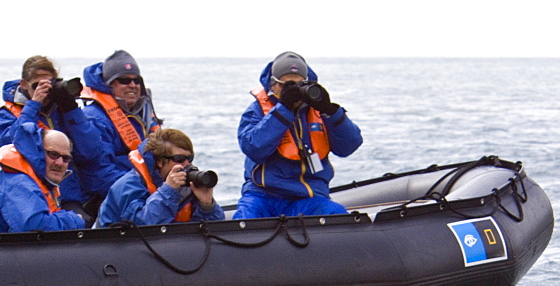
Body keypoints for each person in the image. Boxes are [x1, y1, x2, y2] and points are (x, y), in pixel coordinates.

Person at [234, 51, 362, 219]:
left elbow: (349, 146)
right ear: (273, 85)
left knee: (336, 214)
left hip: (308, 197)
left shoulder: (318, 111)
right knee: (245, 219)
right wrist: (284, 110)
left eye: (299, 85)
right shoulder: (257, 111)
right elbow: (253, 148)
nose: (294, 92)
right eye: (287, 86)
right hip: (263, 195)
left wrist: (331, 111)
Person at [0, 55, 108, 212]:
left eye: (48, 85)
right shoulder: (7, 114)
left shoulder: (62, 112)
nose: (43, 91)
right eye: (37, 85)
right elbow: (10, 145)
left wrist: (71, 109)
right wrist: (33, 105)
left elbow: (90, 151)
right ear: (23, 84)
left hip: (68, 195)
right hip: (29, 195)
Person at [78, 50, 161, 209]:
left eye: (137, 81)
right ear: (109, 84)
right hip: (112, 199)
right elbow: (100, 175)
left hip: (144, 189)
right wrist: (145, 190)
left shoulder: (143, 116)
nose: (132, 85)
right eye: (124, 80)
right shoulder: (93, 119)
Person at [97, 127, 226, 227]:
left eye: (189, 158)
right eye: (179, 159)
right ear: (159, 161)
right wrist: (169, 190)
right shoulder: (128, 186)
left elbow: (212, 230)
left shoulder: (187, 186)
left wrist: (207, 205)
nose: (186, 164)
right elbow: (141, 227)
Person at [0, 124, 88, 233]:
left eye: (65, 158)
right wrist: (75, 220)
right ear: (37, 152)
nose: (60, 163)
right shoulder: (19, 183)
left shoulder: (41, 180)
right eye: (53, 154)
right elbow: (34, 227)